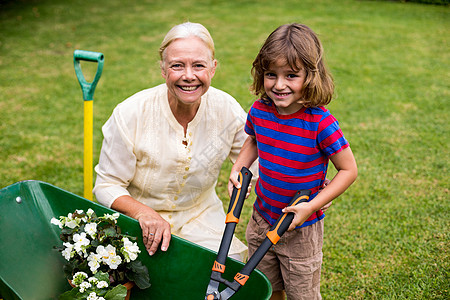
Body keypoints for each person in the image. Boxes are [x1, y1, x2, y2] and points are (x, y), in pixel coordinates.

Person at [93, 22, 251, 261]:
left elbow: (260, 156)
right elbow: (106, 185)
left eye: (199, 65)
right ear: (163, 70)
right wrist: (144, 213)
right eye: (177, 66)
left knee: (225, 270)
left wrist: (250, 178)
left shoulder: (227, 109)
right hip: (138, 219)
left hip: (201, 215)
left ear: (213, 68)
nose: (189, 76)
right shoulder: (130, 113)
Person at [228, 23, 358, 299]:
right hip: (262, 219)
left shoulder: (320, 122)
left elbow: (348, 170)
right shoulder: (260, 110)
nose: (279, 85)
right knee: (267, 287)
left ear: (311, 76)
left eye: (291, 75)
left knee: (303, 294)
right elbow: (252, 140)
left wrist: (312, 206)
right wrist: (239, 167)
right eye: (271, 74)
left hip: (301, 228)